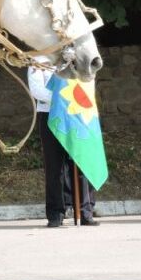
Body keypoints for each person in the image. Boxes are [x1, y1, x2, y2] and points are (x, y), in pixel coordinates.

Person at [29, 59, 98, 227]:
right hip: (51, 113)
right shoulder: (38, 61)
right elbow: (37, 90)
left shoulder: (78, 58)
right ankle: (56, 213)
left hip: (75, 113)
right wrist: (62, 97)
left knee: (81, 164)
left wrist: (75, 98)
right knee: (54, 166)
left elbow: (89, 82)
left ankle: (84, 210)